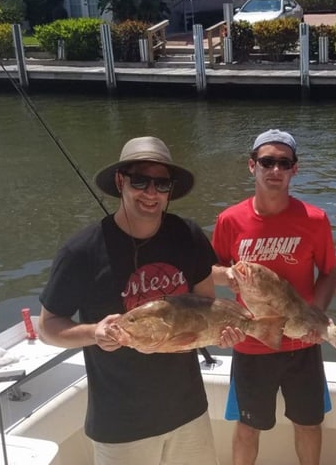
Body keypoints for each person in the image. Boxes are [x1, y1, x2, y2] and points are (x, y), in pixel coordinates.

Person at [38, 136, 240, 465]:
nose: (151, 193)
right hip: (121, 423)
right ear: (121, 182)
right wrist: (93, 334)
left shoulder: (187, 235)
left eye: (161, 184)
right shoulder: (82, 251)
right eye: (140, 181)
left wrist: (222, 333)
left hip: (187, 410)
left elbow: (207, 307)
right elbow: (48, 326)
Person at [211, 129, 336, 465]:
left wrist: (317, 313)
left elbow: (329, 272)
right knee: (248, 426)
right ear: (252, 166)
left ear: (295, 169)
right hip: (252, 343)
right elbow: (210, 271)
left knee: (309, 423)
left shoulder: (315, 219)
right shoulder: (229, 220)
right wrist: (225, 277)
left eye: (284, 163)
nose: (275, 170)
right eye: (267, 161)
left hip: (303, 343)